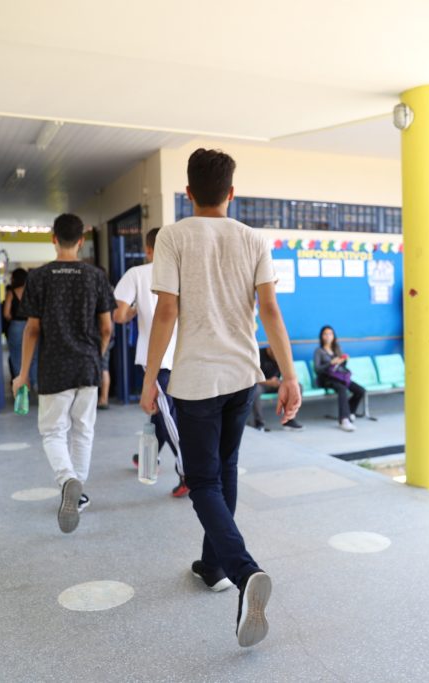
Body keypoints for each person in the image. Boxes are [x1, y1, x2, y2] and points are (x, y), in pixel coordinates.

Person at [141, 148, 301, 648]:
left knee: (203, 481)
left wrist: (150, 377)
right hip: (243, 376)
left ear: (187, 193)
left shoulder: (173, 236)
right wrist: (290, 376)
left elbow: (166, 311)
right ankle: (213, 567)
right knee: (226, 469)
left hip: (196, 380)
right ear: (231, 193)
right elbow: (270, 310)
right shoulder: (253, 238)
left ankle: (242, 567)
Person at [13, 214, 114, 534]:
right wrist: (95, 358)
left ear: (53, 238)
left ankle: (67, 480)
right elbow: (107, 327)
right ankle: (78, 493)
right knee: (83, 431)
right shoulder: (95, 276)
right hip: (87, 365)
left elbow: (31, 330)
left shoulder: (39, 277)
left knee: (53, 432)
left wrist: (22, 374)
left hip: (54, 366)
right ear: (81, 240)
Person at [114, 227, 188, 498]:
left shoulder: (137, 273)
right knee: (162, 412)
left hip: (156, 358)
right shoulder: (183, 273)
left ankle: (187, 472)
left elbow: (119, 315)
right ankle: (147, 456)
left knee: (169, 418)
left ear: (148, 250)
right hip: (184, 356)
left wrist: (136, 311)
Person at [313, 325, 366, 432]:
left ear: (334, 336)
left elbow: (342, 367)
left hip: (339, 377)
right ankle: (344, 420)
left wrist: (343, 360)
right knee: (342, 389)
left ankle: (350, 412)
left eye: (330, 334)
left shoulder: (337, 348)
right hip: (326, 378)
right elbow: (317, 369)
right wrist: (330, 363)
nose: (328, 336)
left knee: (360, 390)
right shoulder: (319, 351)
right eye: (325, 334)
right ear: (321, 336)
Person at [251, 345, 304, 432]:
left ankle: (289, 420)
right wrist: (268, 382)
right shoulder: (257, 354)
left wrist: (285, 381)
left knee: (297, 386)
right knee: (255, 390)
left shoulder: (282, 356)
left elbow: (289, 375)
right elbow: (251, 377)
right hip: (260, 384)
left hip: (276, 384)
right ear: (271, 348)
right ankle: (259, 423)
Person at [4, 268, 38, 389]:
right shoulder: (33, 292)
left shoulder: (11, 293)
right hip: (32, 324)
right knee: (34, 355)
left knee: (16, 357)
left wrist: (13, 318)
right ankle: (33, 382)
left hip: (16, 326)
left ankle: (22, 386)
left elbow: (6, 313)